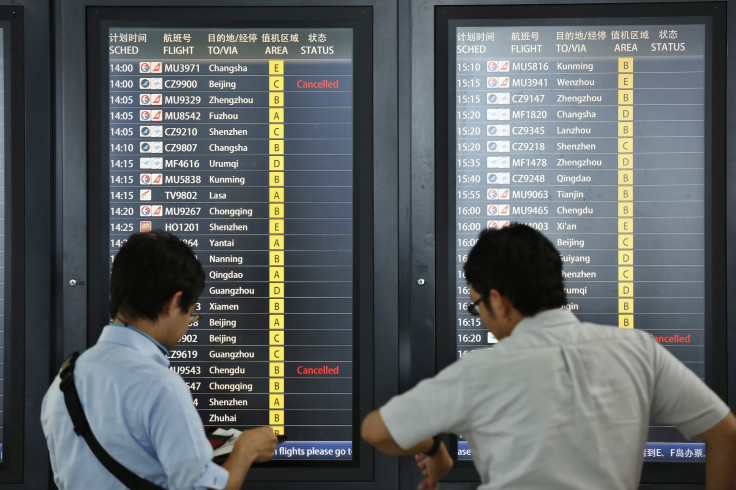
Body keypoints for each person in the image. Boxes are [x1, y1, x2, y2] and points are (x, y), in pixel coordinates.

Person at [362, 223, 736, 490]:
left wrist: (433, 448)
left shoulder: (479, 371)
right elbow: (726, 435)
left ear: (497, 300)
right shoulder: (638, 351)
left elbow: (375, 430)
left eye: (477, 307)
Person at [42, 231, 277, 489]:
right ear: (174, 303)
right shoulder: (160, 386)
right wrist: (247, 448)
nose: (188, 325)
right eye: (190, 313)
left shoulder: (62, 385)